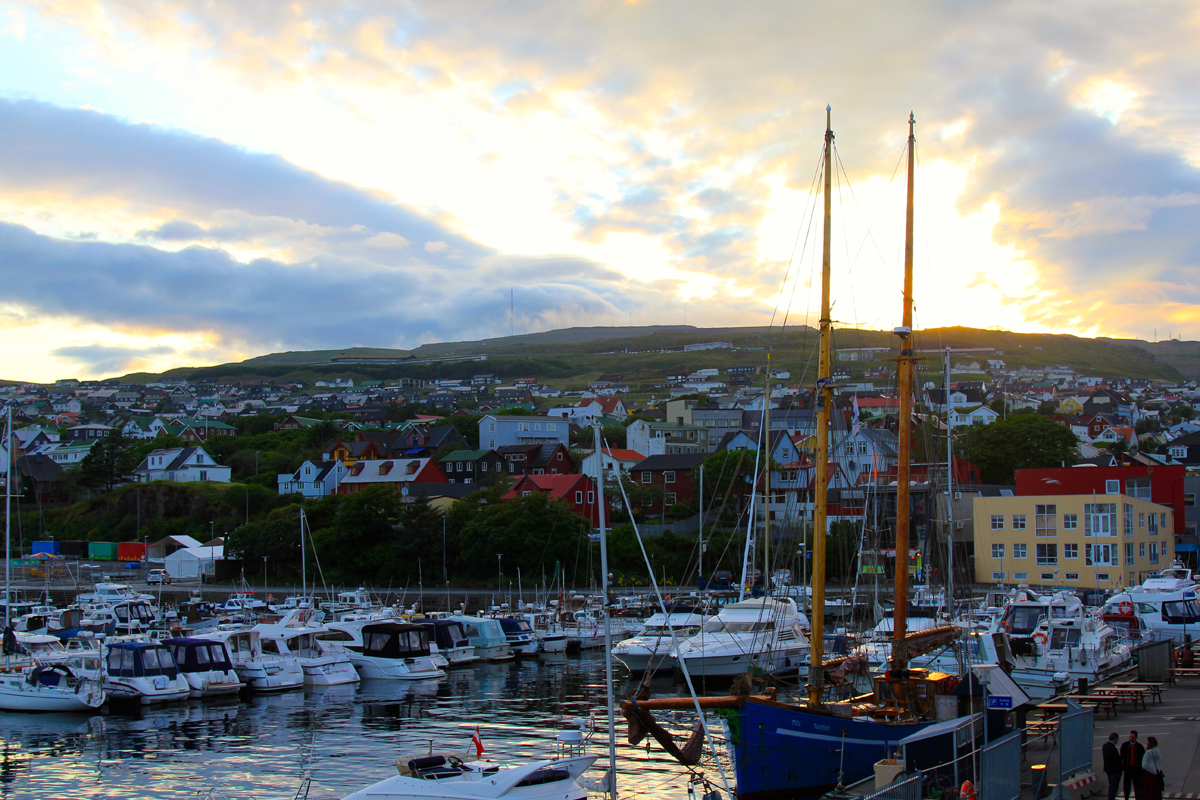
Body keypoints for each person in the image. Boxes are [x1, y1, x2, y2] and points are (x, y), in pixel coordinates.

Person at [1120, 730, 1145, 800]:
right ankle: (1126, 797)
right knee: (1126, 786)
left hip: (1136, 771)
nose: (1131, 738)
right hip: (1127, 770)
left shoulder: (1139, 747)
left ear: (1136, 737)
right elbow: (1122, 756)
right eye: (1130, 737)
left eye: (1133, 737)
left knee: (1137, 786)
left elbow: (1142, 758)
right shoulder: (1124, 745)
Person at [1103, 732, 1123, 800]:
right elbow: (1116, 761)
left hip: (1108, 769)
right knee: (1114, 787)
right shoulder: (1113, 749)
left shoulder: (1105, 746)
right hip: (1115, 771)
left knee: (1111, 786)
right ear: (1115, 739)